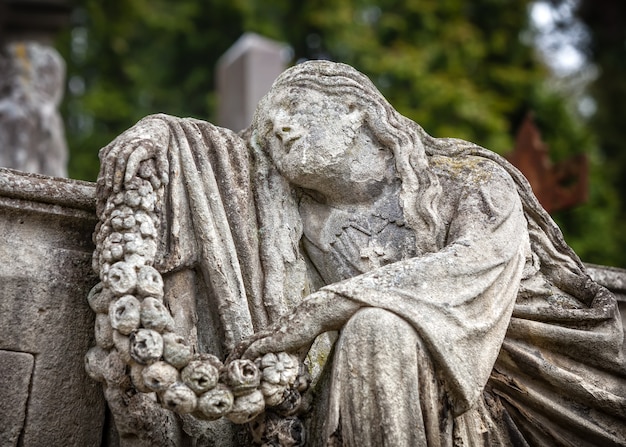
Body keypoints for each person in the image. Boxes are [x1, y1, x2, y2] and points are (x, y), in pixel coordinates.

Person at [98, 61, 626, 446]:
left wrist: (329, 305)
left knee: (378, 327)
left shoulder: (467, 180)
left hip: (515, 378)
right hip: (372, 374)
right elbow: (220, 163)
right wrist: (158, 132)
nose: (279, 129)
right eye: (270, 125)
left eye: (297, 110)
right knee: (376, 330)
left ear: (356, 112)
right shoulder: (297, 218)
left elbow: (474, 263)